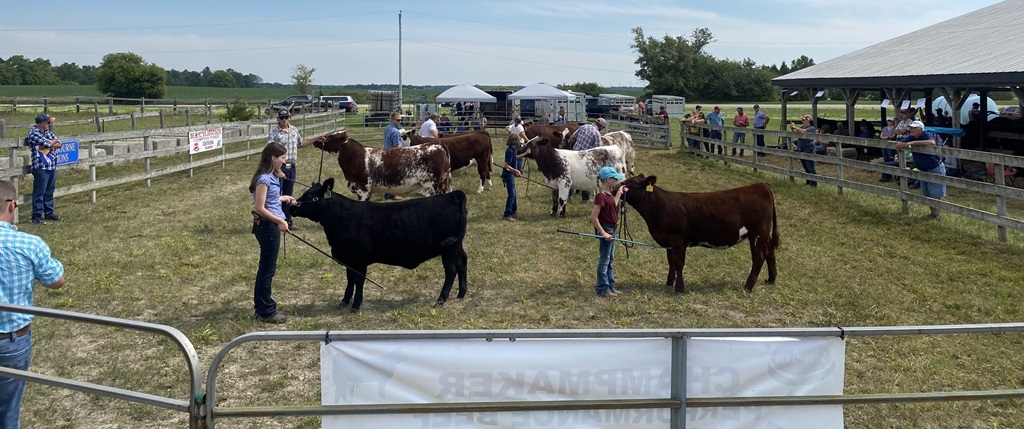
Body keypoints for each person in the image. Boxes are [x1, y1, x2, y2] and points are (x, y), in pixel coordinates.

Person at [0, 180, 66, 428]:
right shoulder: (29, 244)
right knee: (7, 410)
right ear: (12, 206)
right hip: (11, 339)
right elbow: (56, 281)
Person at [249, 144, 295, 324]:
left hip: (272, 226)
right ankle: (265, 311)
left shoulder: (271, 177)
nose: (284, 160)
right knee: (267, 270)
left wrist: (282, 199)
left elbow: (269, 200)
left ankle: (264, 306)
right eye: (282, 157)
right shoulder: (264, 179)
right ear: (272, 158)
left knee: (268, 268)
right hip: (268, 227)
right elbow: (259, 208)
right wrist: (280, 221)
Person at [267, 109, 311, 229]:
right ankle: (274, 221)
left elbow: (300, 143)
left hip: (291, 167)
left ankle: (287, 221)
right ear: (277, 119)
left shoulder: (294, 130)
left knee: (288, 195)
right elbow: (269, 151)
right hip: (278, 167)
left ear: (290, 118)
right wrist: (278, 171)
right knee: (276, 195)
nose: (284, 120)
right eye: (281, 118)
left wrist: (316, 140)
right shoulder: (274, 133)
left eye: (286, 117)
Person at [589, 166, 627, 298]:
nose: (616, 180)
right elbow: (593, 217)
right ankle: (603, 288)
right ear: (607, 180)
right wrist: (603, 232)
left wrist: (619, 193)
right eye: (614, 178)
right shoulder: (600, 197)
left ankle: (610, 285)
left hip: (612, 228)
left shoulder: (609, 195)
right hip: (607, 229)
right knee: (604, 260)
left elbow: (613, 206)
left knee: (610, 259)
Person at [896, 121, 946, 218]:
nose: (912, 130)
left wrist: (914, 143)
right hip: (922, 169)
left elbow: (932, 142)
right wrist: (908, 143)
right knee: (927, 193)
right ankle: (933, 213)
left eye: (914, 128)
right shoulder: (911, 137)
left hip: (934, 167)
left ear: (921, 129)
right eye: (911, 128)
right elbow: (898, 145)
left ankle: (936, 214)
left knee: (935, 193)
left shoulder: (926, 134)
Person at [26, 114, 61, 225]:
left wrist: (50, 144)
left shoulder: (48, 133)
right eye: (48, 122)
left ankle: (49, 213)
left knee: (49, 191)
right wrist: (50, 143)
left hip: (51, 165)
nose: (49, 125)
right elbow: (49, 143)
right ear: (42, 123)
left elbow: (59, 144)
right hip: (41, 167)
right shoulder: (33, 134)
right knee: (39, 192)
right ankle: (37, 216)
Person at [569, 118, 608, 202]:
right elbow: (596, 150)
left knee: (571, 175)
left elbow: (572, 137)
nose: (602, 129)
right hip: (584, 158)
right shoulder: (596, 134)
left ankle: (569, 195)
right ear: (601, 126)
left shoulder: (584, 126)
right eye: (603, 128)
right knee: (585, 177)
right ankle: (585, 198)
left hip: (574, 154)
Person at [789, 115, 818, 187]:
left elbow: (803, 132)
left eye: (804, 119)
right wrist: (792, 128)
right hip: (802, 148)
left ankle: (813, 183)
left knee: (810, 165)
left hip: (808, 148)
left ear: (808, 120)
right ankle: (808, 181)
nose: (802, 120)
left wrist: (795, 127)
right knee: (805, 165)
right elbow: (797, 132)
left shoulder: (811, 128)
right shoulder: (802, 127)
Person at [500, 135, 524, 221]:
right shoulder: (510, 151)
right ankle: (507, 214)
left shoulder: (512, 150)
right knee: (511, 195)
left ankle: (513, 211)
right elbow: (506, 165)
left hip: (511, 174)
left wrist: (526, 153)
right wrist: (516, 171)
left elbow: (516, 158)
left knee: (514, 194)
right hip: (508, 175)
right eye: (518, 140)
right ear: (515, 141)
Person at [383, 111, 404, 201]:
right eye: (398, 120)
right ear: (392, 120)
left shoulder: (387, 128)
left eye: (400, 120)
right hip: (393, 155)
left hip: (386, 153)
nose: (399, 122)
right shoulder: (395, 132)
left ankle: (387, 194)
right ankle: (392, 195)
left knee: (388, 176)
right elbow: (396, 146)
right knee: (393, 176)